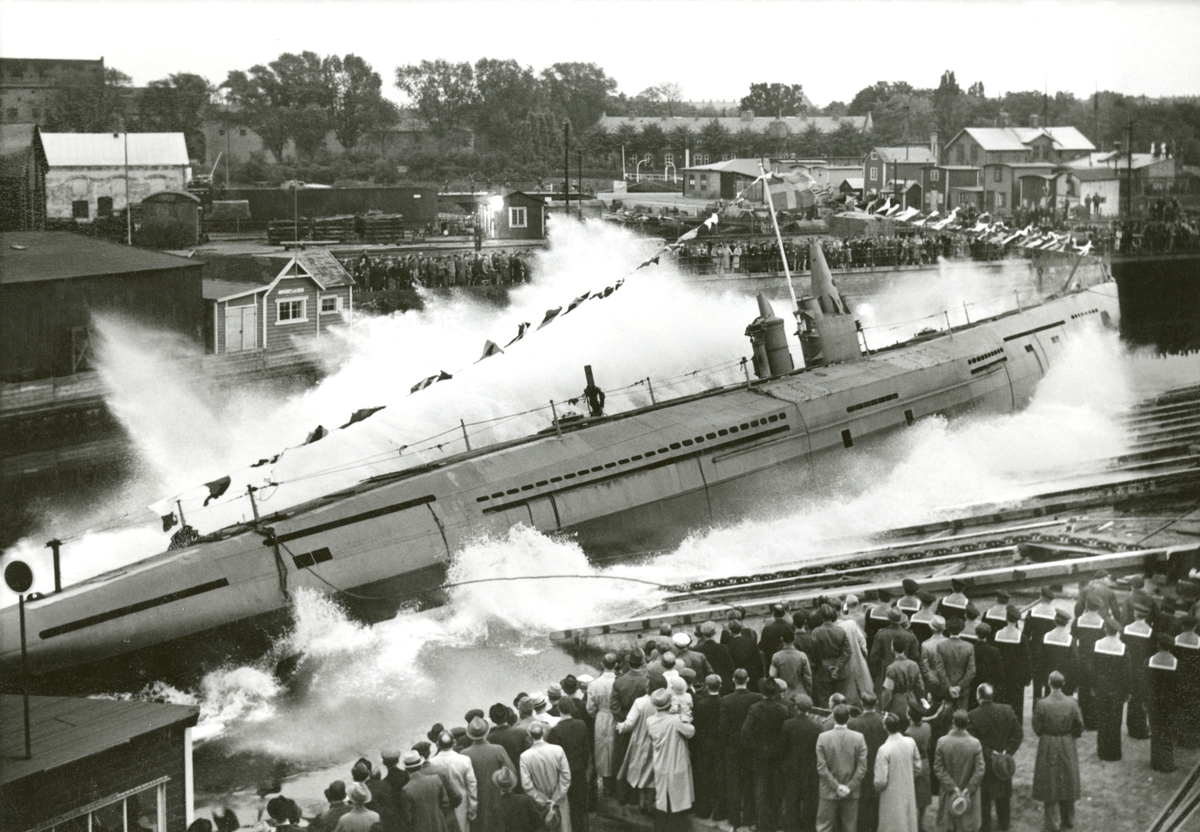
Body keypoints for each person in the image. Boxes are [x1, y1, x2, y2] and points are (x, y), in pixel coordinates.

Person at [1031, 672, 1083, 832]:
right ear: (1063, 683)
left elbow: (1037, 727)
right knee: (1068, 779)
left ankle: (1052, 824)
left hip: (1048, 743)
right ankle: (1069, 820)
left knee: (1050, 782)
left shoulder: (1041, 704)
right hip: (1067, 743)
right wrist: (1069, 736)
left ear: (1049, 683)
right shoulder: (1072, 703)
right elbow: (1079, 726)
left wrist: (1047, 735)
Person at [967, 684, 1022, 832]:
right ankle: (1004, 825)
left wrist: (990, 753)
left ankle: (985, 827)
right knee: (1003, 796)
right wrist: (1006, 752)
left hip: (985, 763)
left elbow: (974, 742)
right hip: (1003, 764)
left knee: (985, 799)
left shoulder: (972, 715)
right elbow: (1018, 735)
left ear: (979, 696)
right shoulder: (1007, 710)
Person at [743, 678, 792, 832]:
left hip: (759, 756)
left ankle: (762, 825)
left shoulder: (755, 708)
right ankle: (776, 822)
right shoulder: (783, 710)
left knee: (760, 790)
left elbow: (745, 731)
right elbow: (786, 733)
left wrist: (756, 746)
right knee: (776, 789)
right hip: (777, 755)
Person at [646, 686, 697, 832]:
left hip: (660, 763)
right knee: (678, 800)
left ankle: (660, 827)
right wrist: (683, 713)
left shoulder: (650, 721)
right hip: (676, 763)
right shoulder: (676, 721)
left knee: (662, 798)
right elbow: (691, 731)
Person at [720, 668, 764, 831]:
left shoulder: (726, 700)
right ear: (748, 679)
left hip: (733, 747)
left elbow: (723, 727)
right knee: (750, 781)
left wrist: (729, 742)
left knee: (733, 782)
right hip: (751, 747)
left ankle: (734, 817)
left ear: (733, 680)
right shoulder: (756, 698)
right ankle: (749, 816)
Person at [815, 704, 868, 832]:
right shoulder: (859, 738)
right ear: (849, 718)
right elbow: (862, 768)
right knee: (849, 827)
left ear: (833, 717)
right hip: (852, 792)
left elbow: (821, 768)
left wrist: (836, 786)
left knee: (824, 827)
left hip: (828, 790)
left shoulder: (823, 738)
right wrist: (848, 787)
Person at [933, 710, 985, 832]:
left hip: (948, 792)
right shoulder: (975, 743)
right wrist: (968, 789)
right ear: (967, 723)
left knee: (949, 825)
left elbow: (938, 768)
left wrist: (952, 787)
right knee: (967, 825)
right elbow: (980, 770)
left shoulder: (942, 742)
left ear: (953, 723)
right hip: (968, 795)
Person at [463, 716, 517, 832]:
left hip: (476, 803)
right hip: (498, 799)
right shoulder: (498, 749)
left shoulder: (464, 754)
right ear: (486, 732)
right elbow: (511, 772)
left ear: (470, 734)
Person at [873, 712, 922, 832]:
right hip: (908, 792)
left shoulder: (884, 749)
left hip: (890, 796)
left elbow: (880, 781)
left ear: (885, 727)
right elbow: (918, 767)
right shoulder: (910, 742)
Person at [521, 721, 573, 832]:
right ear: (543, 732)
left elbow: (527, 785)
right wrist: (558, 796)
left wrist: (543, 800)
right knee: (563, 827)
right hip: (560, 800)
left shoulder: (525, 757)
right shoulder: (558, 750)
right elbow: (566, 776)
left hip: (540, 804)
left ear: (530, 735)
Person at [548, 699, 592, 832]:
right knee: (580, 806)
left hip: (564, 772)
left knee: (568, 806)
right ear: (573, 709)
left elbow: (555, 756)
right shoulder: (581, 724)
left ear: (559, 710)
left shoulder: (555, 730)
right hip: (579, 769)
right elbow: (587, 750)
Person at [781, 694, 822, 832]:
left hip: (791, 768)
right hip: (809, 769)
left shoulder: (788, 724)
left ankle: (792, 828)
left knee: (792, 801)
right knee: (808, 801)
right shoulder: (816, 727)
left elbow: (783, 747)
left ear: (797, 707)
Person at [617, 678, 659, 808]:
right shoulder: (664, 701)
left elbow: (630, 723)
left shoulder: (640, 702)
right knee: (652, 773)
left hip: (641, 739)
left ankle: (641, 803)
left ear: (648, 687)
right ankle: (649, 803)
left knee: (640, 771)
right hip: (657, 741)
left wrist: (620, 726)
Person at [848, 693, 887, 832]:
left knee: (862, 804)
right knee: (877, 803)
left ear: (861, 703)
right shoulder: (884, 721)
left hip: (861, 768)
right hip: (879, 766)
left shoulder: (853, 723)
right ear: (876, 703)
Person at [611, 649, 650, 791]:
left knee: (620, 757)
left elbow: (614, 706)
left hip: (623, 720)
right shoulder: (647, 680)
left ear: (629, 662)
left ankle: (620, 792)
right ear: (642, 663)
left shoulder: (619, 680)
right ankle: (636, 792)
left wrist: (623, 721)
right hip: (641, 722)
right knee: (639, 757)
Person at [1091, 619, 1128, 761]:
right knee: (1115, 720)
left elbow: (1092, 668)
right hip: (1117, 691)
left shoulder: (1097, 645)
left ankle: (1102, 751)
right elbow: (1127, 672)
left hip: (1101, 688)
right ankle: (1113, 753)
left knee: (1102, 719)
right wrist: (1127, 692)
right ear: (1117, 632)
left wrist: (1093, 686)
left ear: (1106, 629)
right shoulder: (1123, 648)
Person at [429, 733, 478, 832]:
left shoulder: (431, 763)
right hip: (462, 804)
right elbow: (472, 784)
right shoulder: (464, 760)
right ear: (454, 742)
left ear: (438, 744)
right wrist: (473, 806)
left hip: (442, 806)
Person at [992, 607, 1031, 723]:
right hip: (1016, 678)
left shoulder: (996, 635)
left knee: (999, 702)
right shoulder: (1022, 638)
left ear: (1006, 618)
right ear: (1017, 621)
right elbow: (1026, 659)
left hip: (1000, 675)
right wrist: (1027, 678)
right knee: (1016, 705)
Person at [1148, 632, 1179, 773]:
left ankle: (1155, 761)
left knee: (1155, 731)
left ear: (1158, 645)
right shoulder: (1177, 664)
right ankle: (1167, 763)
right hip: (1170, 704)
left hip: (1154, 703)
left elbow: (1145, 685)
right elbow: (1180, 688)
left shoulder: (1149, 661)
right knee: (1167, 732)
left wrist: (1145, 701)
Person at [588, 654, 618, 795]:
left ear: (602, 664)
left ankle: (606, 786)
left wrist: (597, 714)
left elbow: (590, 709)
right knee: (616, 748)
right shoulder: (619, 681)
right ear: (616, 665)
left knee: (601, 750)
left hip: (601, 717)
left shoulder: (594, 684)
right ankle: (616, 783)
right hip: (616, 717)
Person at [934, 618, 976, 712]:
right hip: (963, 689)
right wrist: (959, 686)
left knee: (946, 715)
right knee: (961, 716)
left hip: (946, 687)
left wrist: (949, 687)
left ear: (948, 629)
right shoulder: (969, 646)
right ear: (961, 629)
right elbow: (972, 671)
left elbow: (939, 669)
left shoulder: (941, 646)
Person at [881, 638, 925, 720]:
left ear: (892, 648)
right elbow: (921, 686)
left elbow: (888, 691)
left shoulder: (892, 668)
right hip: (913, 701)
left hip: (897, 705)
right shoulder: (914, 665)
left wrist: (884, 707)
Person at [905, 708, 933, 832]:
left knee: (913, 794)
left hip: (913, 764)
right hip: (925, 762)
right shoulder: (927, 727)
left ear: (909, 716)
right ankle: (920, 823)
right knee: (924, 796)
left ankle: (913, 824)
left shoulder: (908, 732)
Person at [771, 629, 814, 705]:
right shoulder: (802, 656)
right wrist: (809, 692)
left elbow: (772, 676)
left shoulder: (776, 656)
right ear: (794, 638)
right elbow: (807, 677)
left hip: (784, 693)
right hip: (801, 692)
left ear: (782, 639)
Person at [493, 768, 543, 832]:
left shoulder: (497, 806)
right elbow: (537, 823)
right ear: (512, 783)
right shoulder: (525, 799)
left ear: (498, 785)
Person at [697, 621, 736, 695]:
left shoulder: (697, 649)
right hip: (724, 683)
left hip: (706, 685)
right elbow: (730, 667)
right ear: (714, 632)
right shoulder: (723, 648)